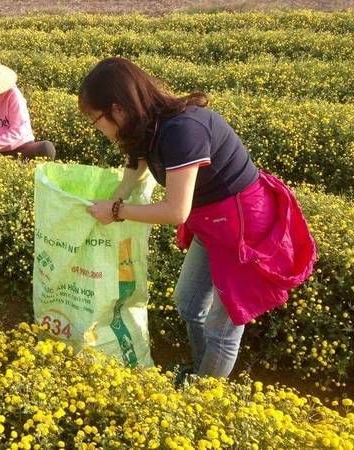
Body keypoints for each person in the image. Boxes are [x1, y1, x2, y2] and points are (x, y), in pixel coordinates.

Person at [80, 57, 316, 379]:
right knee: (188, 303)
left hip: (243, 227)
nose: (97, 128)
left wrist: (116, 212)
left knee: (223, 328)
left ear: (118, 109)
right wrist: (113, 199)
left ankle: (204, 394)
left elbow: (176, 211)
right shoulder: (145, 126)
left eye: (95, 119)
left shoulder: (182, 131)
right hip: (211, 222)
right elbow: (136, 168)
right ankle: (202, 371)